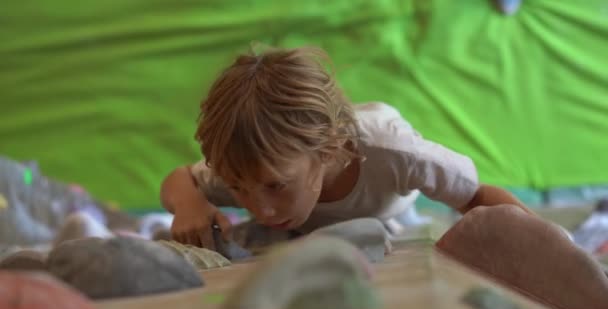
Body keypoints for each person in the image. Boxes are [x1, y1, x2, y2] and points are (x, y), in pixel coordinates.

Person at [160, 46, 532, 249]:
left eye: (276, 186)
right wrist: (191, 204)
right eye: (239, 188)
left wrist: (543, 245)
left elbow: (476, 196)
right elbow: (179, 179)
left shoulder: (397, 155)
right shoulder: (252, 169)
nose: (260, 208)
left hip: (389, 208)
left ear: (328, 150)